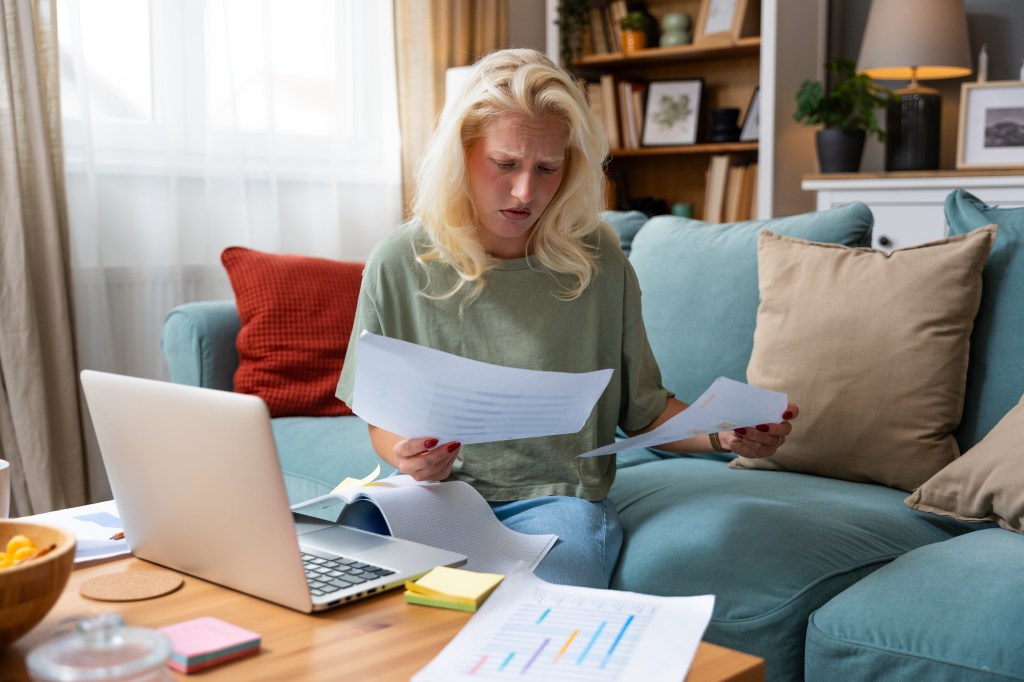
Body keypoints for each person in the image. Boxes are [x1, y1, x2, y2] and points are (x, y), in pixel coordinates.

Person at [336, 48, 797, 588]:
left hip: (557, 503)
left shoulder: (599, 263)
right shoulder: (400, 260)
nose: (526, 192)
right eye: (505, 164)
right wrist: (406, 455)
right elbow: (380, 414)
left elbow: (643, 413)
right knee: (354, 599)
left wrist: (724, 433)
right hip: (430, 498)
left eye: (547, 168)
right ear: (461, 155)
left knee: (538, 620)